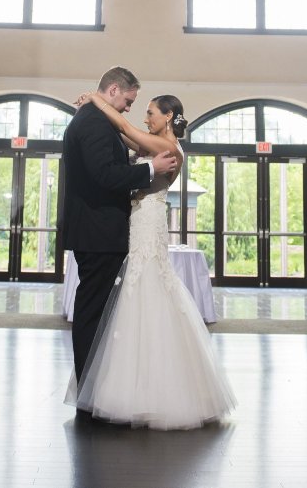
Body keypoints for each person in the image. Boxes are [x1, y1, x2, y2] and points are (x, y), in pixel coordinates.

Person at [68, 92, 235, 429]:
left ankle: (146, 390)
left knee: (146, 290)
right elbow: (127, 136)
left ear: (168, 116)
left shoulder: (169, 147)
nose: (146, 119)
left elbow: (124, 128)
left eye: (151, 113)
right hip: (137, 223)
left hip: (147, 224)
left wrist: (98, 100)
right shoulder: (155, 143)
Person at [61, 67, 176, 385]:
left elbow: (125, 139)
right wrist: (150, 169)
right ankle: (89, 384)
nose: (128, 109)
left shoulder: (96, 119)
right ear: (113, 90)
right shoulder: (94, 122)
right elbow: (105, 174)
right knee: (94, 312)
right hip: (98, 233)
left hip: (98, 231)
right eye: (128, 101)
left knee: (99, 311)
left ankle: (96, 382)